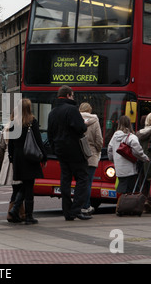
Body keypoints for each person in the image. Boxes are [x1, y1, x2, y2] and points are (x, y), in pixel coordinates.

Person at [47, 85, 91, 221]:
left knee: (65, 180)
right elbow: (80, 128)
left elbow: (50, 133)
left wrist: (55, 148)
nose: (73, 98)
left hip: (60, 150)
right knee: (82, 178)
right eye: (72, 95)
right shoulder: (72, 110)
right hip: (74, 149)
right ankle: (76, 209)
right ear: (68, 95)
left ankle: (67, 211)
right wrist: (84, 124)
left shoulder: (52, 112)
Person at [8, 99, 47, 224]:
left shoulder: (14, 123)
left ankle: (15, 209)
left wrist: (11, 158)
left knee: (25, 184)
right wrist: (44, 156)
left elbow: (11, 144)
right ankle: (28, 216)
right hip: (30, 156)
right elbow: (38, 141)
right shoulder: (32, 122)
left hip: (18, 157)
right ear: (29, 108)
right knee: (29, 186)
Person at [108, 115, 149, 195]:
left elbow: (109, 150)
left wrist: (114, 160)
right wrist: (145, 158)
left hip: (119, 169)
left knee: (122, 189)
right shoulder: (132, 137)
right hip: (130, 169)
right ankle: (127, 206)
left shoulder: (114, 137)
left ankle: (121, 204)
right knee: (130, 191)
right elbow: (138, 151)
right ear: (130, 124)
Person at [0, 111, 24, 223]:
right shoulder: (18, 127)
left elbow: (2, 145)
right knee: (19, 187)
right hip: (16, 159)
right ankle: (11, 213)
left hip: (8, 160)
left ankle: (21, 213)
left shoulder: (6, 128)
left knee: (16, 188)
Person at [79, 103, 103, 215]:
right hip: (91, 155)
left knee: (80, 182)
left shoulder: (76, 119)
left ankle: (78, 205)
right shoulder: (95, 121)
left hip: (78, 155)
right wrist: (97, 150)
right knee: (88, 183)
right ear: (90, 110)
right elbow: (99, 140)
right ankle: (86, 206)